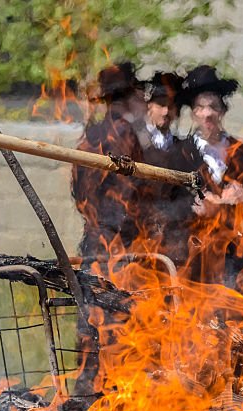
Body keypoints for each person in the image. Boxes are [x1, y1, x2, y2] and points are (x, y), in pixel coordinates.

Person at [179, 65, 243, 290]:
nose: (208, 114)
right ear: (193, 113)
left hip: (234, 251)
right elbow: (180, 203)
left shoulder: (240, 151)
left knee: (235, 314)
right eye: (201, 107)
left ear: (223, 111)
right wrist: (211, 206)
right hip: (196, 253)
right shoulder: (183, 153)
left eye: (213, 107)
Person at [71, 61, 147, 269]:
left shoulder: (92, 136)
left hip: (97, 239)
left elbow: (78, 195)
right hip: (115, 243)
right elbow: (132, 193)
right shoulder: (123, 134)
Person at [134, 71, 203, 271]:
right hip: (140, 236)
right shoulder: (133, 142)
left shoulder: (185, 148)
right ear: (150, 106)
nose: (166, 112)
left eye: (171, 106)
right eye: (161, 105)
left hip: (174, 240)